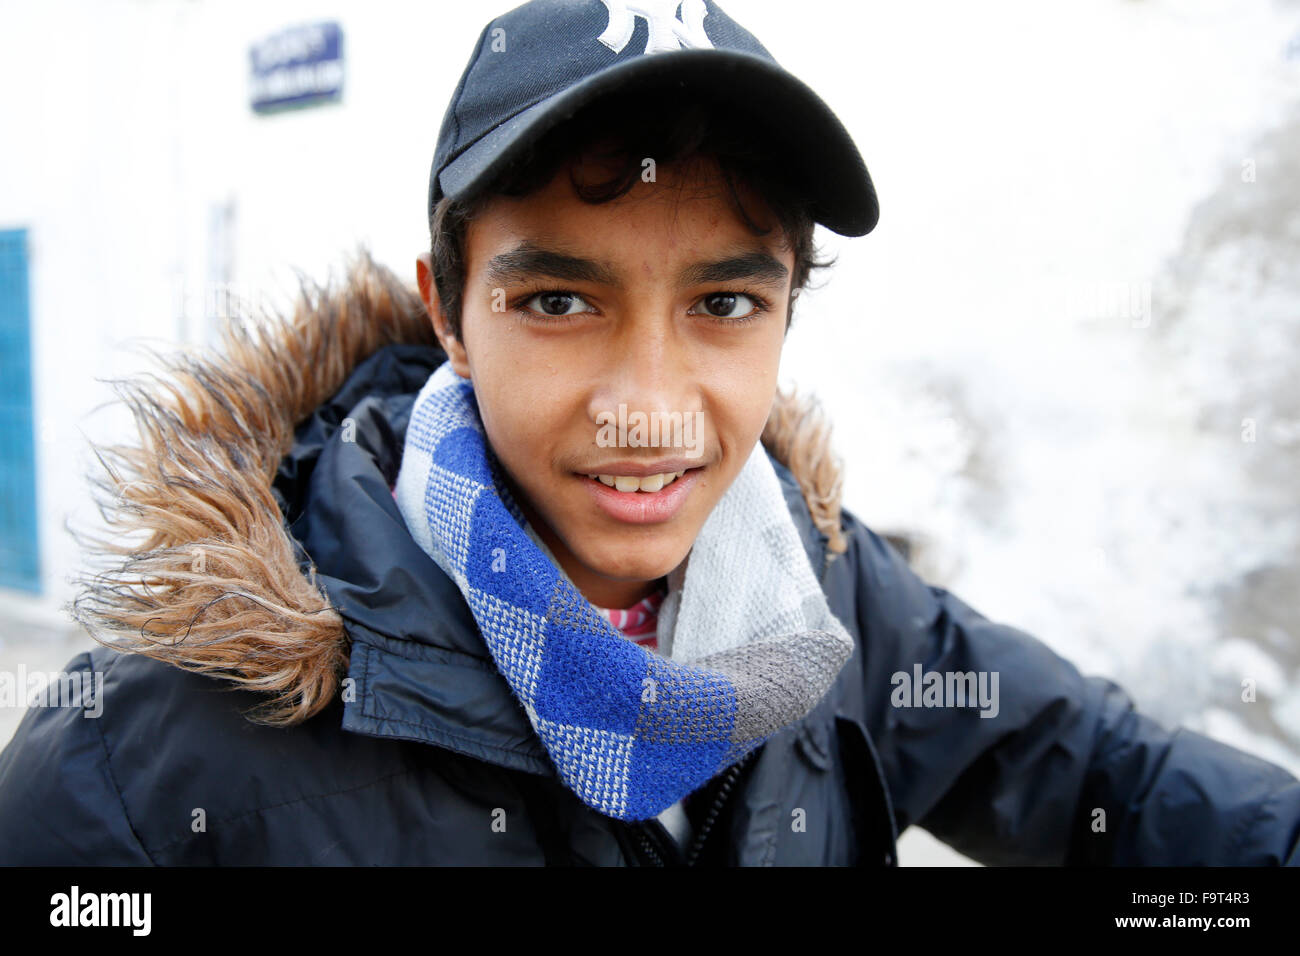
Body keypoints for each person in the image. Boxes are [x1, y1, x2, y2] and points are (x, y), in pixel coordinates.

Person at [0, 0, 1297, 866]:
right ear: (448, 311)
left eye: (726, 302)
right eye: (560, 300)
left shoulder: (830, 593)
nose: (651, 405)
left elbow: (1101, 771)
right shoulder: (133, 772)